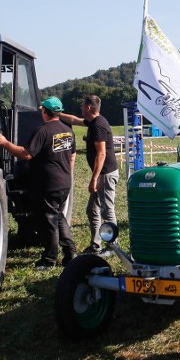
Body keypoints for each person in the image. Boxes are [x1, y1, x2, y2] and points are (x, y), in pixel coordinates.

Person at [0, 97, 77, 270]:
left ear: (45, 112)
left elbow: (27, 154)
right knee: (58, 216)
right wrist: (65, 174)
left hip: (49, 184)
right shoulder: (67, 130)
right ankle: (70, 252)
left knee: (49, 221)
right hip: (64, 182)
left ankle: (49, 259)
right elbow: (73, 156)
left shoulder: (43, 131)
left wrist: (5, 143)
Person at [60, 95, 119, 257]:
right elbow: (74, 120)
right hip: (102, 174)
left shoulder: (99, 125)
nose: (80, 107)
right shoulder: (93, 122)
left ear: (88, 108)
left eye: (82, 105)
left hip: (105, 175)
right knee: (92, 210)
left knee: (107, 210)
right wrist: (57, 114)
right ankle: (96, 245)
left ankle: (113, 246)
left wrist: (94, 179)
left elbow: (101, 155)